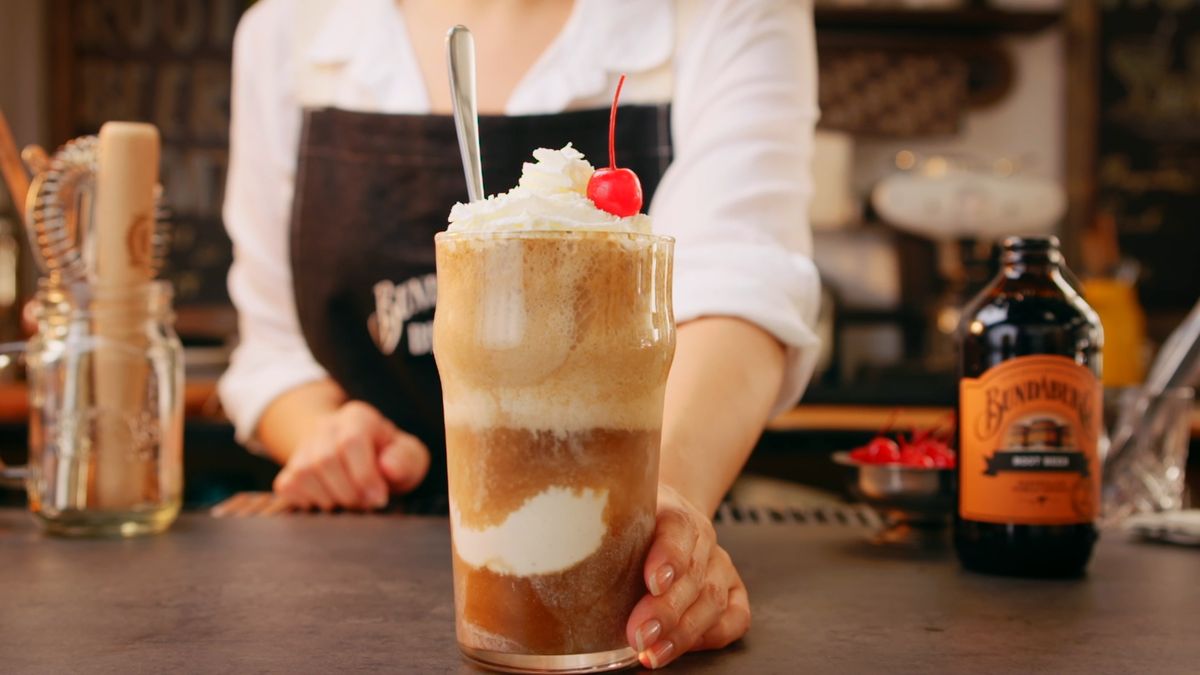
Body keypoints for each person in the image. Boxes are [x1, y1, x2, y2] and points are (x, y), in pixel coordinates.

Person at [220, 0, 820, 668]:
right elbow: (272, 345)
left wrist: (660, 513)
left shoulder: (725, 12)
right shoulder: (289, 29)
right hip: (353, 580)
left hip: (629, 551)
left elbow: (740, 287)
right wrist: (322, 432)